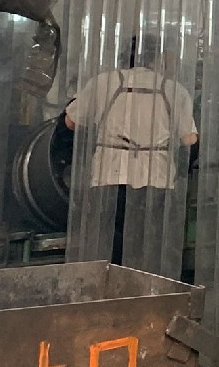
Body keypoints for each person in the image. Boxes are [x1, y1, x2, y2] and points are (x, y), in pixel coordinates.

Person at [63, 36, 196, 267]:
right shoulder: (174, 90)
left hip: (110, 174)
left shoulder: (103, 82)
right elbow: (190, 139)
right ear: (159, 58)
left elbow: (71, 122)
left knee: (110, 244)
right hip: (156, 176)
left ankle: (112, 282)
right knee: (148, 245)